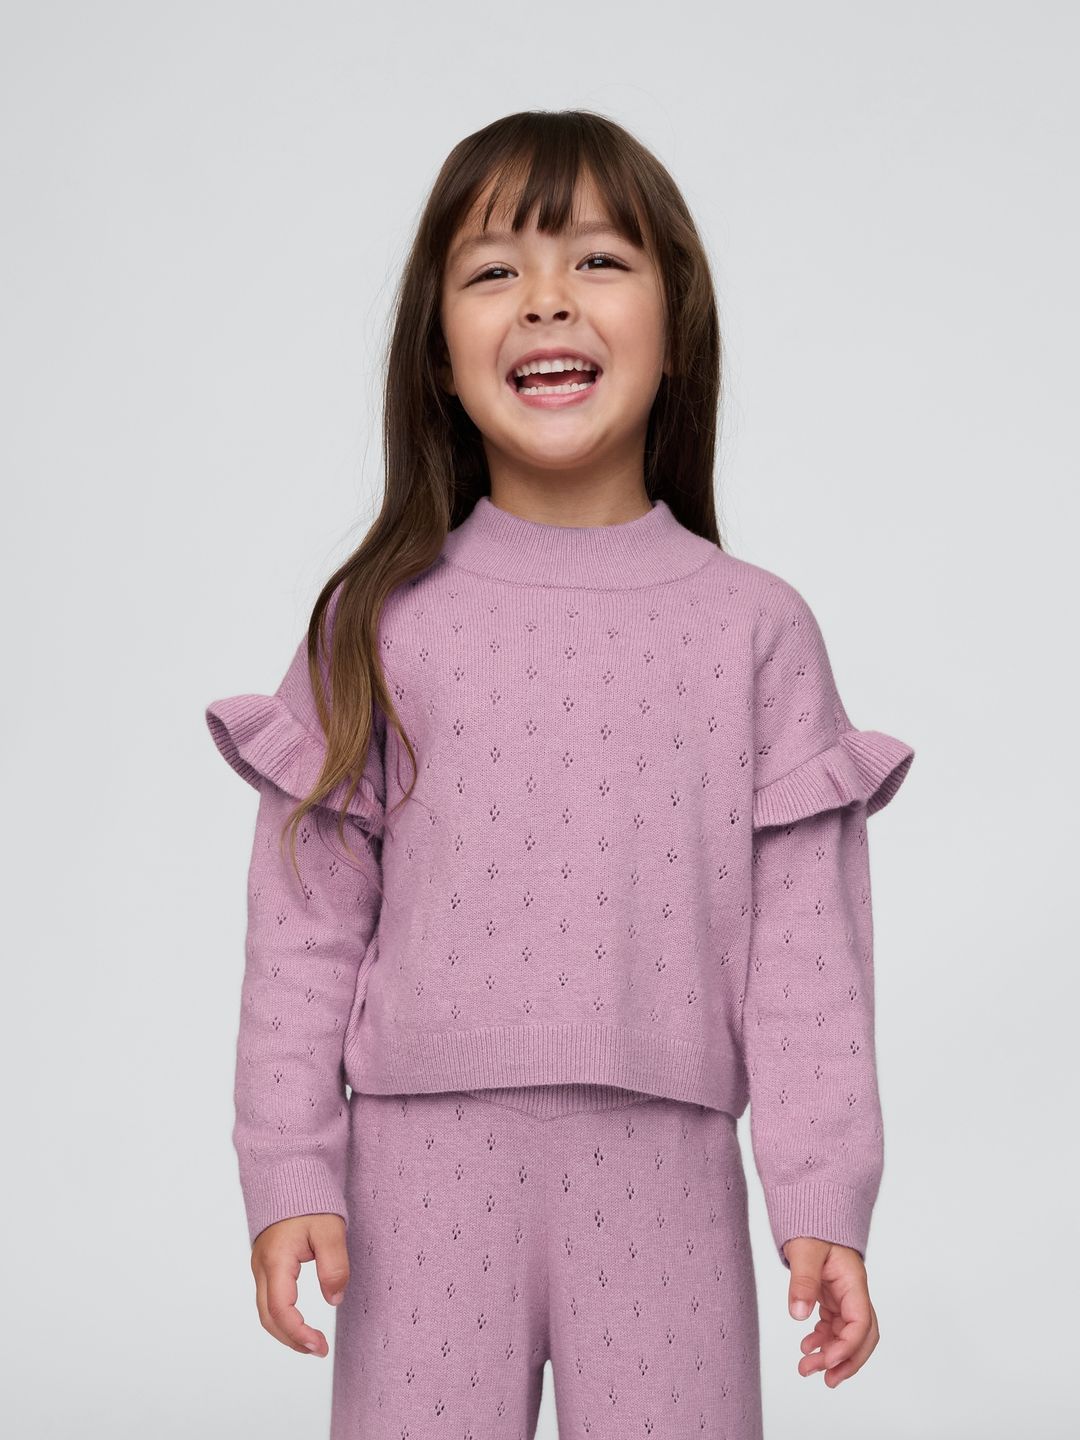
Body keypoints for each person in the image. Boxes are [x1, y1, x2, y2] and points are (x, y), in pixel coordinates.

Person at [205, 108, 915, 1440]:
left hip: (667, 1169)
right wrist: (289, 1166)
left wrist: (824, 1193)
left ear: (676, 320)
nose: (546, 299)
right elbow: (303, 929)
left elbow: (808, 957)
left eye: (596, 260)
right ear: (438, 350)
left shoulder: (756, 629)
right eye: (494, 271)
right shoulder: (373, 622)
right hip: (417, 1171)